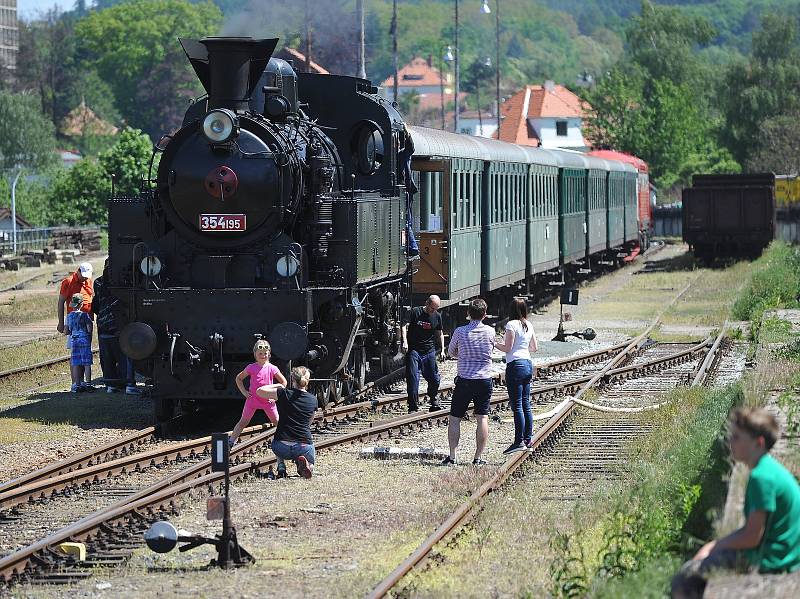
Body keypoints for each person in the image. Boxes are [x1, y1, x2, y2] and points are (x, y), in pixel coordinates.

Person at [671, 408, 800, 598]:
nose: (730, 441)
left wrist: (714, 547)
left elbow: (752, 536)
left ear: (758, 443)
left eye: (737, 438)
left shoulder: (762, 478)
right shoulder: (769, 470)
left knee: (684, 579)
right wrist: (715, 545)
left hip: (772, 560)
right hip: (783, 554)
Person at [443, 298, 496, 466]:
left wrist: (464, 356)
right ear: (484, 314)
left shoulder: (460, 331)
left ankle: (452, 456)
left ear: (468, 314)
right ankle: (477, 458)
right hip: (484, 380)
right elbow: (491, 350)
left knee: (455, 418)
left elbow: (451, 352)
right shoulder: (490, 331)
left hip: (465, 379)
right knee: (482, 418)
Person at [495, 298, 539, 454]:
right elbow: (534, 347)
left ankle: (518, 441)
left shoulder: (511, 325)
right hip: (528, 364)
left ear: (511, 310)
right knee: (526, 404)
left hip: (516, 365)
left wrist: (494, 343)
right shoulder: (529, 324)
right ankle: (528, 439)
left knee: (518, 405)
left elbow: (507, 348)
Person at [257, 366, 318, 479]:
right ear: (307, 381)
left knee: (277, 438)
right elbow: (309, 423)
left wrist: (278, 385)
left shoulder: (283, 393)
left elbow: (259, 391)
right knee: (310, 459)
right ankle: (307, 466)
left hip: (281, 446)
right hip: (303, 446)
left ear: (292, 379)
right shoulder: (313, 400)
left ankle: (281, 466)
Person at [229, 340, 288, 445]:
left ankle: (286, 440)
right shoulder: (251, 367)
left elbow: (284, 382)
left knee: (277, 422)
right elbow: (239, 378)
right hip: (252, 400)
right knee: (243, 422)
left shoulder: (272, 368)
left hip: (268, 401)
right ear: (255, 354)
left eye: (265, 353)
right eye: (260, 353)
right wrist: (244, 392)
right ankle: (231, 441)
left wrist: (275, 395)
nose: (263, 356)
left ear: (269, 354)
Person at [92, 260, 138, 394]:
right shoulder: (122, 283)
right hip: (119, 324)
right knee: (125, 355)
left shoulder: (98, 283)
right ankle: (128, 384)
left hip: (103, 323)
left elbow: (95, 304)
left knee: (107, 357)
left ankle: (110, 385)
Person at [401, 295, 445, 413]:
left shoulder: (437, 316)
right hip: (414, 350)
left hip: (429, 351)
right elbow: (404, 325)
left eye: (436, 309)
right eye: (432, 308)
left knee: (434, 378)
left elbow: (439, 333)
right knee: (413, 378)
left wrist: (442, 350)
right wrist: (405, 341)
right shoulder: (415, 312)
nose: (433, 311)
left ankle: (433, 399)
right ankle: (413, 406)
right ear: (427, 304)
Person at [58, 262, 94, 383]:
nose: (84, 278)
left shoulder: (88, 281)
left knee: (85, 351)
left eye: (86, 276)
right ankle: (76, 382)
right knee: (76, 352)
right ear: (78, 271)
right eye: (83, 275)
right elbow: (61, 302)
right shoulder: (68, 282)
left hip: (87, 320)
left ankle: (83, 381)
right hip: (74, 322)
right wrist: (61, 323)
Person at [65, 293, 94, 393]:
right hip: (84, 340)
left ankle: (77, 385)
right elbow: (89, 329)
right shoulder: (85, 315)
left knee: (76, 363)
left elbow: (66, 331)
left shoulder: (68, 316)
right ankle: (88, 384)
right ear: (81, 304)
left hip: (74, 341)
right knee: (86, 363)